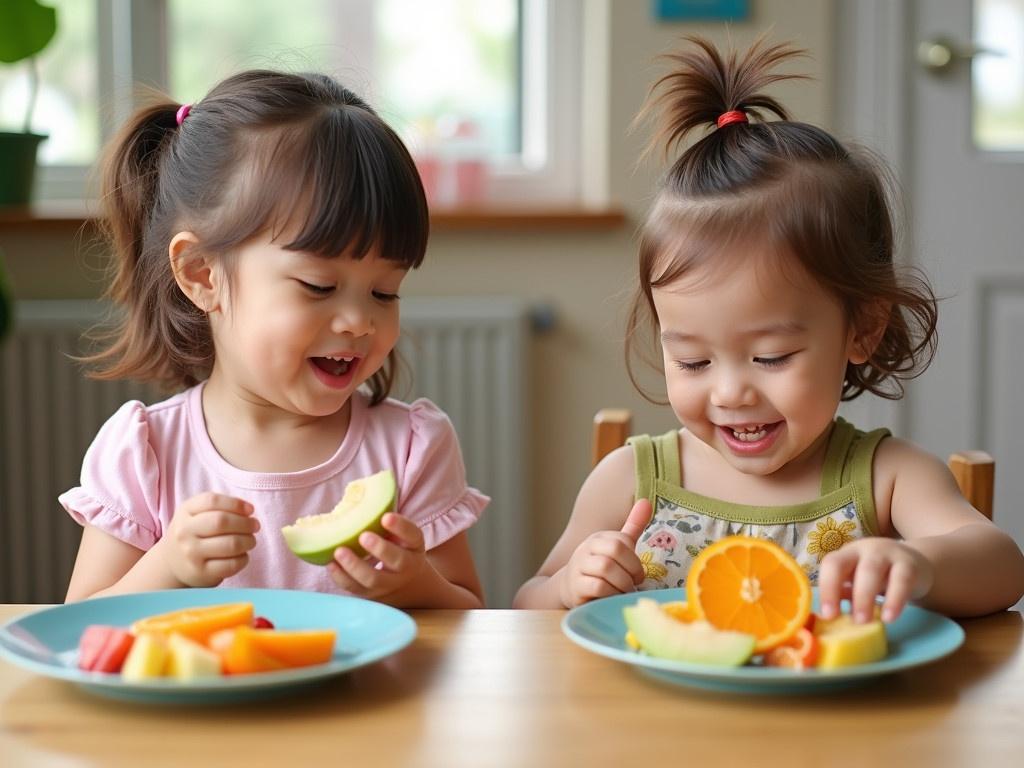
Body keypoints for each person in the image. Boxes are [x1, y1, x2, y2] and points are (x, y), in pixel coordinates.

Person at [514, 37, 1024, 620]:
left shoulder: (887, 477)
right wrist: (567, 589)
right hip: (659, 714)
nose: (731, 393)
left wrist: (922, 565)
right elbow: (529, 604)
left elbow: (1002, 566)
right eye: (693, 361)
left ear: (863, 328)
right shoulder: (631, 479)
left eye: (772, 356)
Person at [61, 70, 487, 608]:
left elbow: (472, 613)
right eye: (319, 286)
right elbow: (82, 625)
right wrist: (166, 567)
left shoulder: (411, 447)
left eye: (385, 292)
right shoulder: (144, 452)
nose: (358, 320)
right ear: (201, 274)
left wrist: (417, 584)